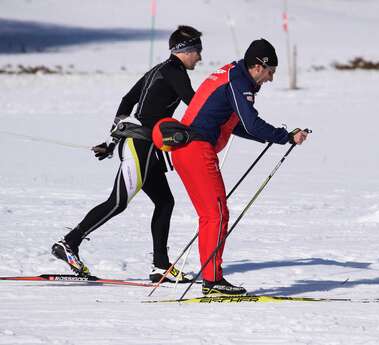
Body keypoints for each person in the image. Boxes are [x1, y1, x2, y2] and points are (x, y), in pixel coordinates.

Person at [51, 25, 203, 283]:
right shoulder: (174, 72)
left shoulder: (158, 70)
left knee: (165, 202)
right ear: (184, 51)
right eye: (197, 51)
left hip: (143, 146)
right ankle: (69, 242)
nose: (199, 57)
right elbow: (195, 103)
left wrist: (112, 140)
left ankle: (160, 266)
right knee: (118, 202)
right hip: (138, 146)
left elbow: (126, 100)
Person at [170, 38, 309, 295]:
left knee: (213, 215)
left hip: (187, 150)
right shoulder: (239, 81)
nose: (270, 78)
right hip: (196, 151)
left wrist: (275, 137)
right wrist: (284, 136)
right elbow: (251, 123)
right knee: (217, 215)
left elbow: (235, 125)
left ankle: (211, 278)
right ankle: (212, 281)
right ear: (258, 66)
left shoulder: (233, 74)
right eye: (270, 72)